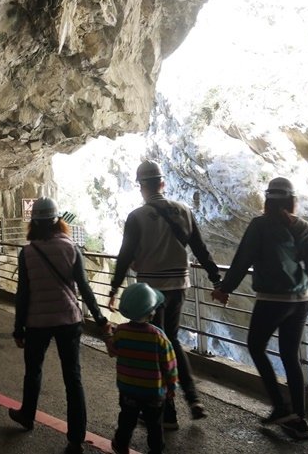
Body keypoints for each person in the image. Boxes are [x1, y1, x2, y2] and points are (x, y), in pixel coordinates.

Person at [107, 160, 221, 430]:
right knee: (171, 340)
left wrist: (114, 288)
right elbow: (201, 250)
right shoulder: (184, 211)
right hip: (179, 286)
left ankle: (167, 413)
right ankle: (192, 398)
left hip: (151, 292)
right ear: (162, 183)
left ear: (141, 187)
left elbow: (125, 256)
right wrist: (217, 279)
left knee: (156, 347)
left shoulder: (137, 217)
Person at [211, 177, 308, 441]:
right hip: (301, 300)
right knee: (290, 355)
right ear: (292, 200)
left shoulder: (260, 225)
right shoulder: (304, 227)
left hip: (272, 299)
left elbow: (242, 260)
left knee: (256, 346)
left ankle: (281, 407)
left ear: (267, 201)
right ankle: (298, 418)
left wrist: (224, 289)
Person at [9, 197, 111, 454]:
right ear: (58, 221)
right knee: (73, 379)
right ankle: (75, 440)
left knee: (33, 372)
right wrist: (100, 319)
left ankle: (27, 415)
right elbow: (84, 289)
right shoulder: (71, 247)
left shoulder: (28, 252)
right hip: (68, 320)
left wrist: (18, 328)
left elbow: (23, 294)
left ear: (34, 223)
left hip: (37, 322)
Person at [107, 282, 178, 454]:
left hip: (128, 389)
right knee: (154, 424)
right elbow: (170, 364)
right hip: (153, 392)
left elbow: (113, 351)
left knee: (126, 419)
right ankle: (156, 449)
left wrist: (109, 335)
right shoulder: (158, 336)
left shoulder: (121, 332)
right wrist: (171, 386)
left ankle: (121, 444)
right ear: (151, 312)